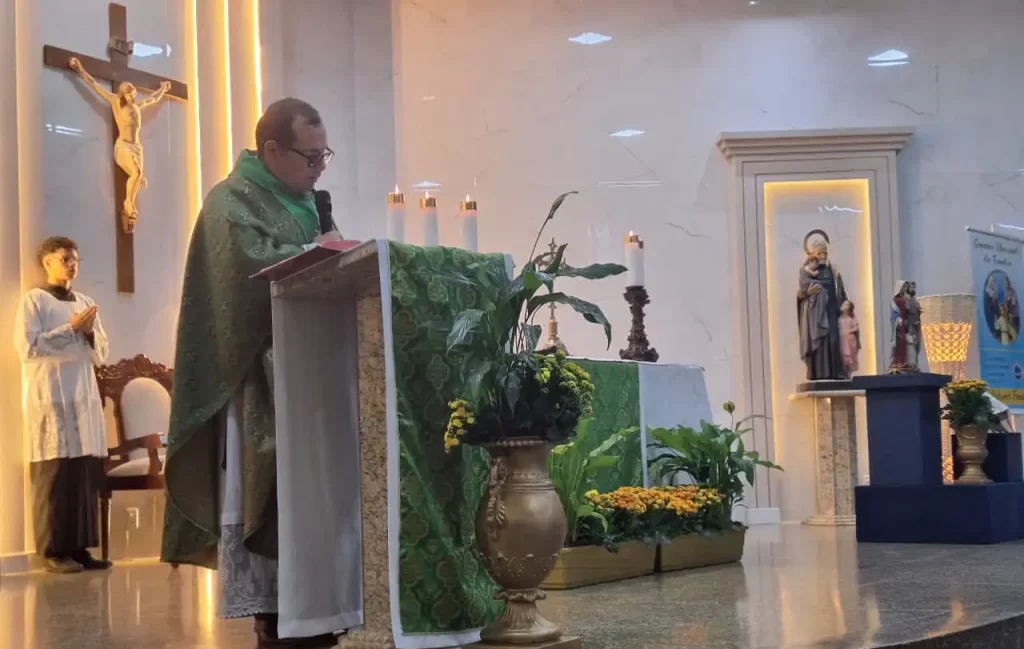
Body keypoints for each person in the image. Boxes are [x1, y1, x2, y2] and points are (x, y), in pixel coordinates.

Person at [162, 98, 339, 648]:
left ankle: (322, 602)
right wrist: (314, 252)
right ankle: (275, 618)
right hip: (260, 382)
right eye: (310, 157)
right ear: (272, 150)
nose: (319, 168)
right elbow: (243, 277)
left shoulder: (310, 203)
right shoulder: (229, 201)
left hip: (313, 378)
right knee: (272, 502)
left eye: (324, 155)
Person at [14, 236, 112, 574]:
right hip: (51, 397)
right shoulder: (34, 300)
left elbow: (102, 353)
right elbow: (28, 349)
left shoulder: (85, 302)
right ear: (47, 262)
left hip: (81, 395)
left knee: (82, 472)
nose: (72, 265)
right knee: (54, 473)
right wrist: (70, 329)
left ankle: (80, 548)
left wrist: (87, 333)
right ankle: (52, 550)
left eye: (75, 259)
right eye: (65, 259)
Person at [797, 239, 850, 381]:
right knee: (819, 343)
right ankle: (817, 374)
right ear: (813, 254)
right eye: (819, 253)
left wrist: (844, 302)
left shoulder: (833, 271)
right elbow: (800, 293)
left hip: (831, 310)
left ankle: (835, 372)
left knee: (834, 340)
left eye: (825, 253)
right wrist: (807, 292)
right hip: (816, 313)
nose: (822, 256)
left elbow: (840, 290)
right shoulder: (809, 271)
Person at [889, 280, 923, 373]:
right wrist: (898, 318)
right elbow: (894, 312)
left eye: (905, 287)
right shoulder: (896, 299)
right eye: (904, 287)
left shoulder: (908, 299)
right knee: (901, 342)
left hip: (907, 324)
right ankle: (898, 362)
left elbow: (911, 310)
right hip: (900, 324)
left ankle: (906, 362)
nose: (905, 288)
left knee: (908, 343)